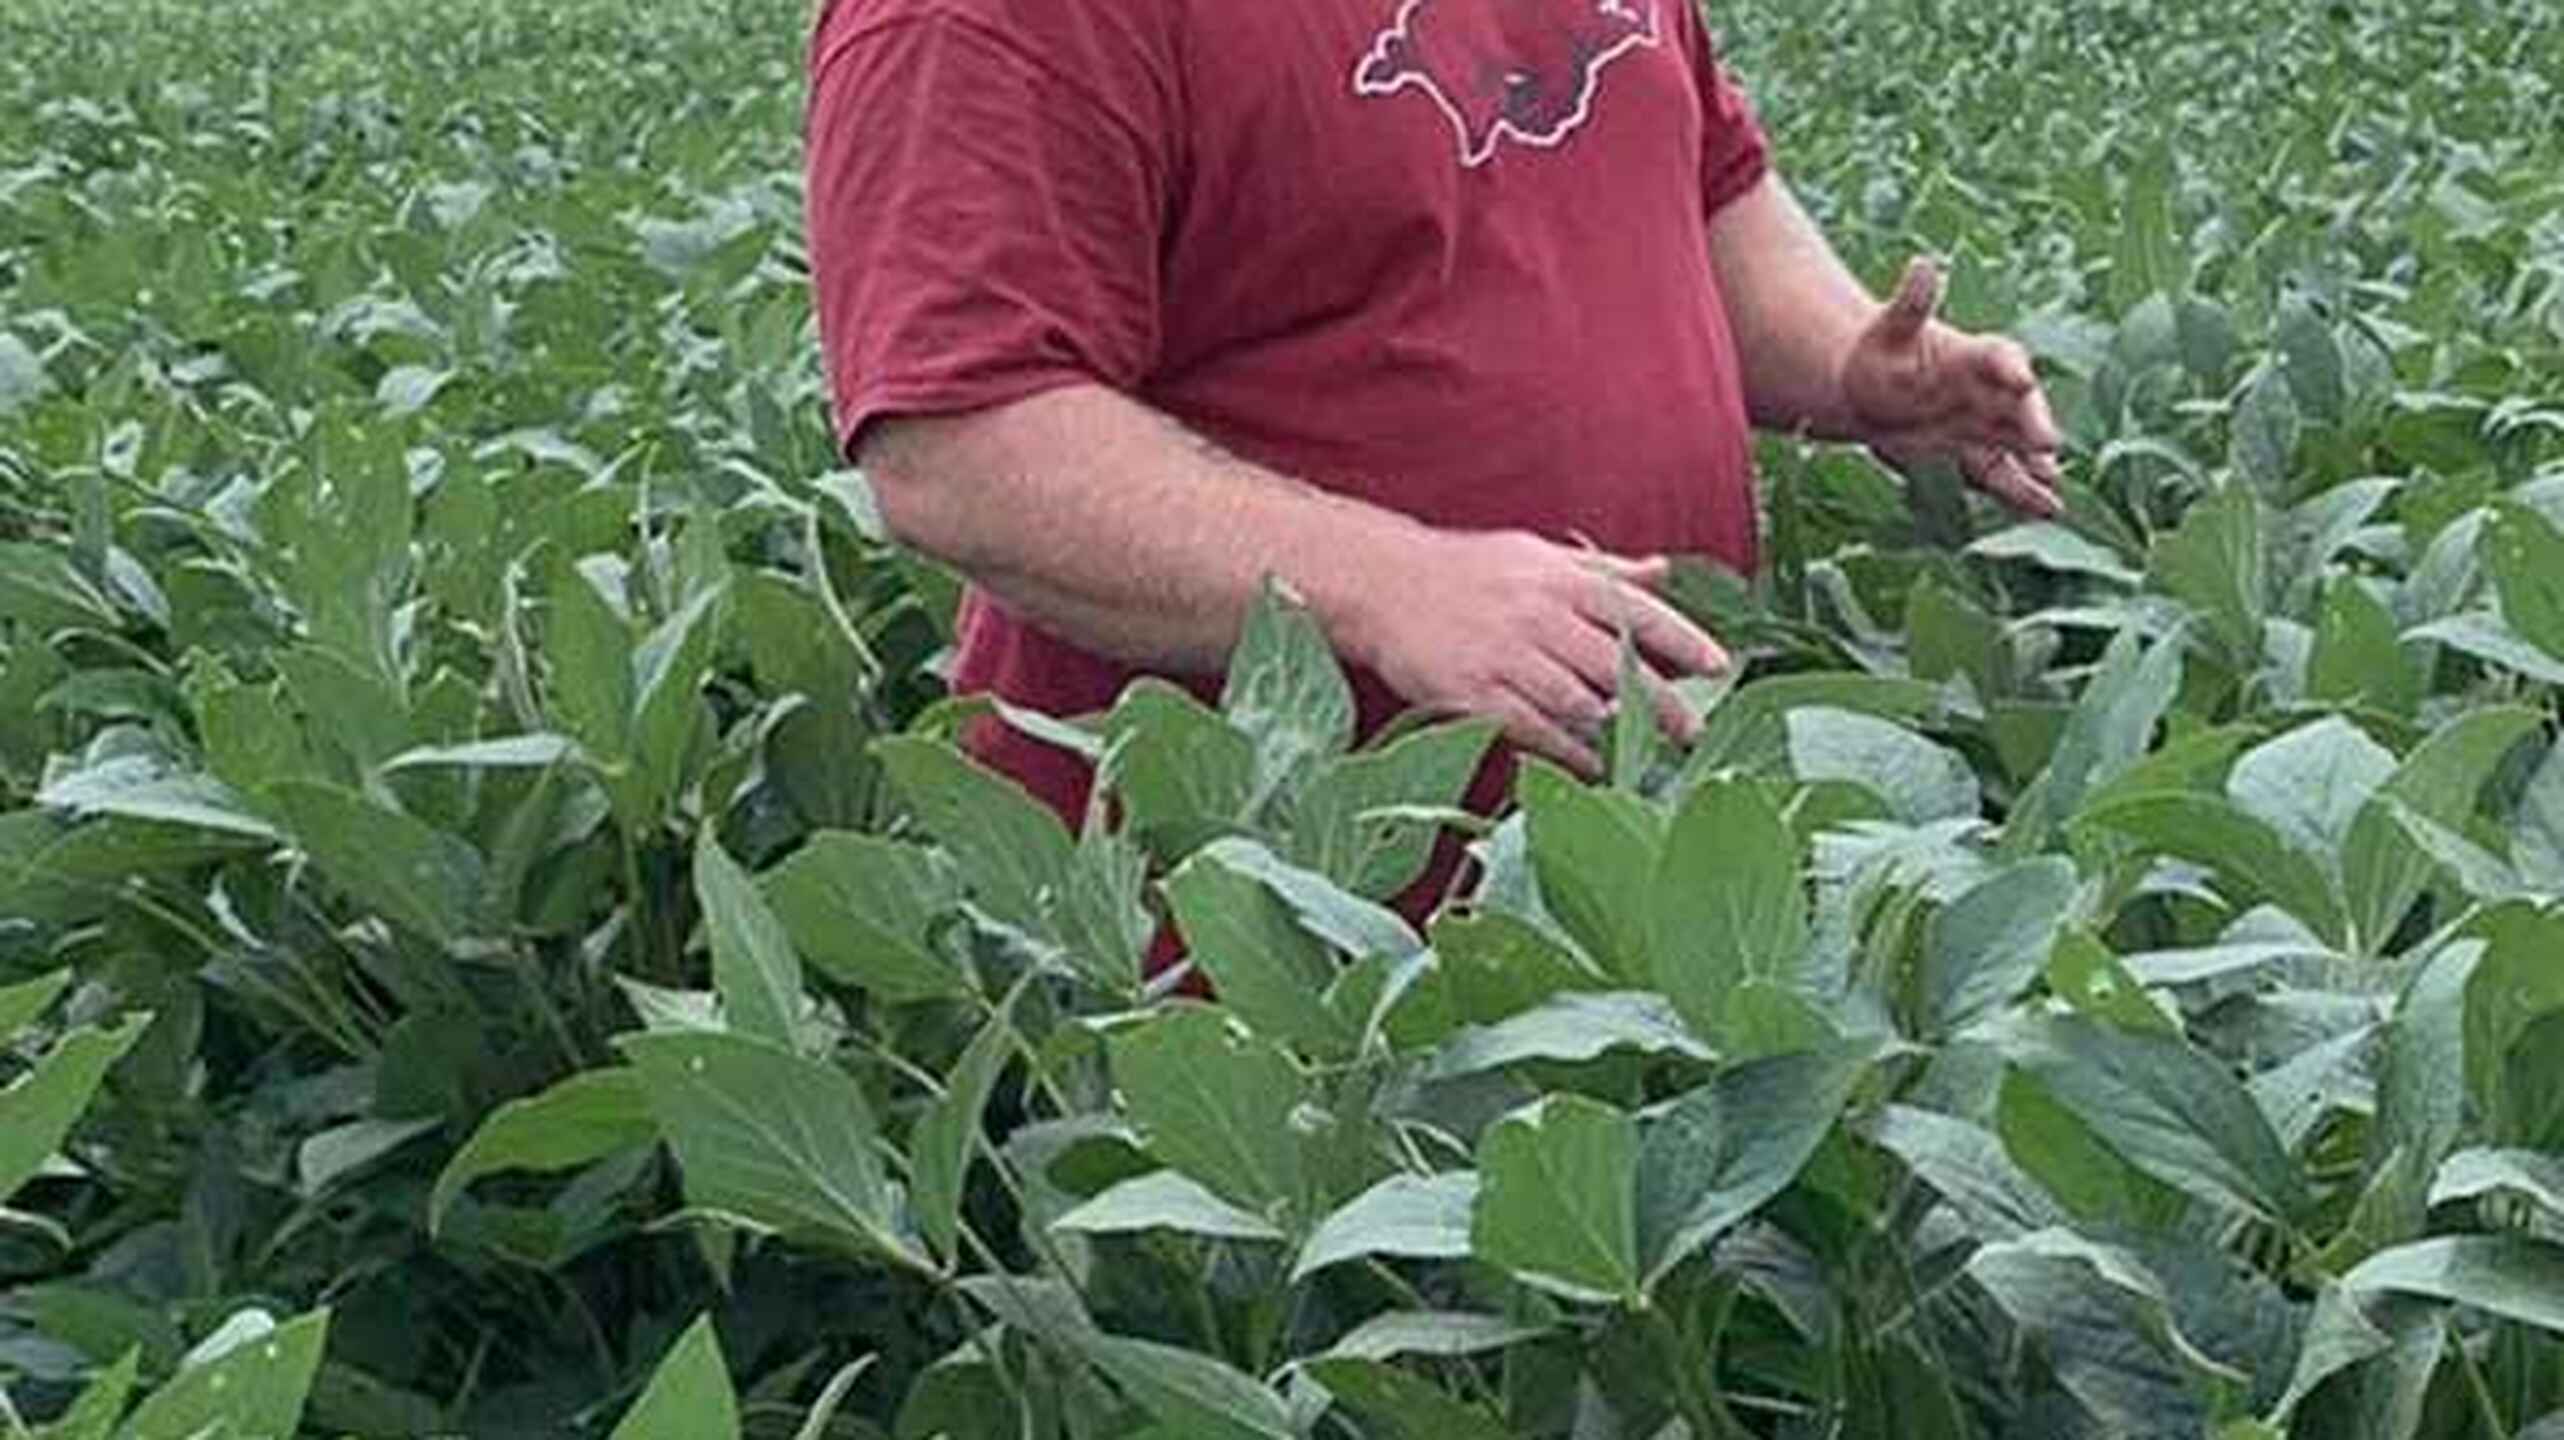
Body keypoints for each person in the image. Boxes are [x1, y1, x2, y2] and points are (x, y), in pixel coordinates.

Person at [803, 0, 2062, 851]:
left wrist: (1846, 368)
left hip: (1640, 845)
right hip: (1256, 934)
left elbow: (1700, 188)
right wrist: (1385, 586)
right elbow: (959, 443)